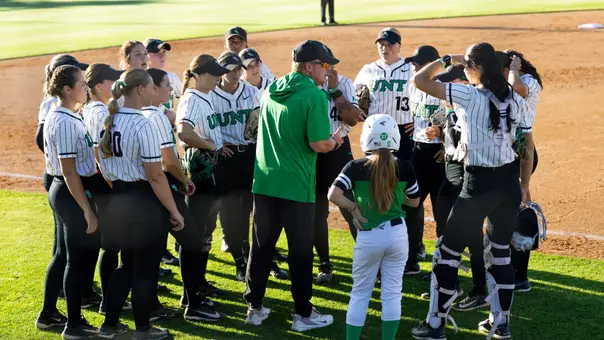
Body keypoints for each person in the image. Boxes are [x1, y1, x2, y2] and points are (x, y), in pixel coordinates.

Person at [410, 43, 527, 340]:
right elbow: (524, 144)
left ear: (475, 67)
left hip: (479, 185)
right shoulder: (515, 98)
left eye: (467, 65)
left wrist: (446, 59)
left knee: (446, 254)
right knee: (499, 256)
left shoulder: (468, 95)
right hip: (509, 186)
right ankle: (500, 324)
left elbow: (420, 81)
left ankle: (435, 325)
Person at [243, 40, 340, 331]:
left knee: (260, 249)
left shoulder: (272, 88)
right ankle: (303, 314)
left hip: (264, 182)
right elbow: (318, 143)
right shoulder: (314, 95)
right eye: (324, 66)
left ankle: (254, 307)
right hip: (296, 187)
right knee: (300, 252)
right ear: (309, 66)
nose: (328, 71)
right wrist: (334, 141)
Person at [97, 68, 184, 340]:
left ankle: (109, 326)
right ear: (140, 90)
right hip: (143, 201)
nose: (152, 91)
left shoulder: (110, 120)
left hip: (118, 199)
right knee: (145, 270)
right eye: (149, 87)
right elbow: (156, 175)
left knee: (126, 266)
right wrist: (173, 210)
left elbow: (105, 166)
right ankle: (143, 329)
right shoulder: (144, 123)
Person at [329, 114, 420, 340]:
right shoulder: (405, 167)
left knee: (360, 293)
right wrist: (397, 198)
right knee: (392, 293)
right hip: (397, 235)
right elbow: (415, 201)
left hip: (369, 237)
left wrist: (353, 207)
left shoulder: (355, 166)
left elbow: (334, 194)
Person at [209, 51, 288, 282]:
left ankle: (265, 259)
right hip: (226, 159)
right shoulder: (211, 96)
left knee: (263, 211)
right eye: (230, 69)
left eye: (237, 69)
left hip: (253, 156)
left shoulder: (252, 93)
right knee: (234, 216)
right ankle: (240, 262)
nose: (234, 74)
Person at [420, 65, 488, 312]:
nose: (445, 89)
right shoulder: (453, 110)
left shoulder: (472, 108)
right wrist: (440, 133)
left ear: (465, 84)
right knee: (443, 229)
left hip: (465, 178)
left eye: (451, 83)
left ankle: (480, 290)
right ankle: (452, 283)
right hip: (450, 177)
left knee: (471, 237)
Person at [39, 65, 100, 339]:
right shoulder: (63, 120)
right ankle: (74, 326)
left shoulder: (66, 113)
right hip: (70, 192)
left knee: (63, 256)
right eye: (81, 84)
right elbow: (69, 171)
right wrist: (87, 210)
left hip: (66, 190)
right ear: (67, 89)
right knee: (75, 261)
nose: (86, 88)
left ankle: (47, 315)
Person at [354, 27, 419, 276]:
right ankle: (381, 250)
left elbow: (426, 97)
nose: (385, 47)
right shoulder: (368, 70)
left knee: (406, 191)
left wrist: (420, 121)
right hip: (374, 140)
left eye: (389, 44)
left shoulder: (411, 69)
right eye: (381, 43)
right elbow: (355, 100)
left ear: (399, 46)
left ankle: (412, 255)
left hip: (403, 134)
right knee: (377, 190)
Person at [176, 54, 232, 305]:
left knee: (205, 233)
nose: (218, 77)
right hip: (199, 176)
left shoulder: (205, 97)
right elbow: (184, 132)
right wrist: (208, 145)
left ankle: (199, 283)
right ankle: (190, 295)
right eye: (213, 74)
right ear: (197, 76)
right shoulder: (191, 99)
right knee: (195, 236)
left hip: (210, 173)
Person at [82, 63, 130, 315]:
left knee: (110, 244)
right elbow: (101, 152)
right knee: (112, 245)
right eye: (111, 81)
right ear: (99, 85)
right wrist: (113, 183)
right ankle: (109, 300)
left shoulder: (89, 108)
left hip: (97, 182)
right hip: (105, 182)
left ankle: (106, 298)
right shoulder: (100, 112)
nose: (115, 85)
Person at [314, 45, 362, 284]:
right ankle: (324, 264)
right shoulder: (307, 87)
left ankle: (367, 262)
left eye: (332, 64)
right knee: (316, 214)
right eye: (325, 64)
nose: (330, 68)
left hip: (339, 153)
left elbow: (353, 118)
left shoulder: (344, 83)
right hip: (313, 154)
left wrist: (334, 90)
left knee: (352, 207)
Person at [499, 50, 543, 293]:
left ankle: (520, 277)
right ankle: (510, 272)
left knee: (518, 210)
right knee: (508, 211)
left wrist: (514, 67)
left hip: (521, 153)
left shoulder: (527, 81)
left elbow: (517, 88)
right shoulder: (504, 80)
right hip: (507, 153)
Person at [405, 45, 446, 268]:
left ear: (432, 65)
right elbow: (417, 113)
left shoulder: (444, 88)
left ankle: (443, 263)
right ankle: (411, 258)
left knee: (442, 211)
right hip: (418, 153)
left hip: (440, 156)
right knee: (411, 206)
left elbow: (458, 121)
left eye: (419, 63)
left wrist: (447, 143)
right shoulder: (413, 87)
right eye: (414, 63)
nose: (415, 67)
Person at [144, 37, 182, 267]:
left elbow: (183, 102)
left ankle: (167, 247)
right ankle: (161, 250)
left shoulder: (173, 79)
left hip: (167, 143)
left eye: (164, 52)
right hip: (151, 150)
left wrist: (174, 118)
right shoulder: (139, 81)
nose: (162, 55)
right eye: (157, 53)